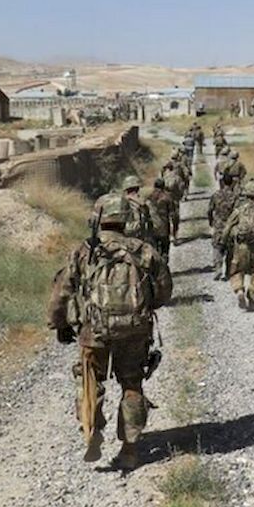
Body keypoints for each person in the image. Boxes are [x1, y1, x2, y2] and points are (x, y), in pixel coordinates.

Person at [47, 194, 173, 469]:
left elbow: (62, 292)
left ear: (98, 218)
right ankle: (129, 450)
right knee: (131, 385)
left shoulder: (85, 250)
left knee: (91, 382)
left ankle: (92, 429)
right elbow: (165, 290)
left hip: (95, 330)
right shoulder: (143, 249)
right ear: (127, 219)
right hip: (134, 332)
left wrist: (59, 323)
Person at [221, 180, 254, 311]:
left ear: (245, 194)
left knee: (236, 270)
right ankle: (253, 296)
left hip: (241, 247)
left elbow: (227, 227)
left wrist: (223, 242)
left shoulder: (239, 211)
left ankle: (239, 290)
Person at [207, 173, 239, 280]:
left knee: (217, 247)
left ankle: (218, 268)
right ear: (232, 183)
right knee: (230, 249)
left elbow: (210, 210)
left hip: (218, 225)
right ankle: (227, 271)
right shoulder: (235, 196)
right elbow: (238, 212)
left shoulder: (216, 195)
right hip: (231, 226)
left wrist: (211, 221)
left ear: (222, 182)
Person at [122, 175, 159, 246]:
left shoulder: (120, 202)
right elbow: (154, 221)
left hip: (124, 236)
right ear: (138, 188)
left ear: (126, 189)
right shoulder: (143, 202)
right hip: (140, 236)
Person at [147, 177, 176, 259]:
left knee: (154, 252)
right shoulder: (167, 197)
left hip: (151, 229)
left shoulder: (149, 197)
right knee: (165, 251)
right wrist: (174, 231)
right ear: (163, 186)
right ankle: (164, 266)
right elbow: (173, 215)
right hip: (163, 229)